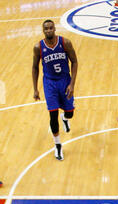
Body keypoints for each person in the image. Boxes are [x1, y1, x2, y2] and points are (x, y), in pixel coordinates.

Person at [32, 19, 78, 161]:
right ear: (43, 30)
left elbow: (75, 62)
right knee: (52, 115)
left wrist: (72, 84)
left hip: (65, 81)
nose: (49, 30)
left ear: (55, 29)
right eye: (46, 29)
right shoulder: (38, 47)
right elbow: (35, 68)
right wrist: (35, 89)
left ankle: (65, 118)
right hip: (49, 83)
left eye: (51, 28)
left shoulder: (66, 43)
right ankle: (57, 145)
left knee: (70, 113)